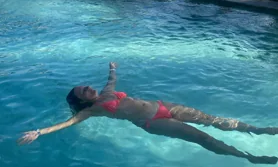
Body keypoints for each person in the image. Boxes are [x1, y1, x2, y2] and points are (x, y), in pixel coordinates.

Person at [18, 63, 278, 165]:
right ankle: (248, 157)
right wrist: (39, 131)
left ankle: (258, 129)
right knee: (203, 138)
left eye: (85, 85)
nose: (87, 87)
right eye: (83, 90)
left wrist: (112, 69)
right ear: (82, 100)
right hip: (153, 121)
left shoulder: (108, 91)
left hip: (165, 105)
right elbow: (67, 122)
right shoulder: (93, 111)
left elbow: (111, 78)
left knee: (213, 120)